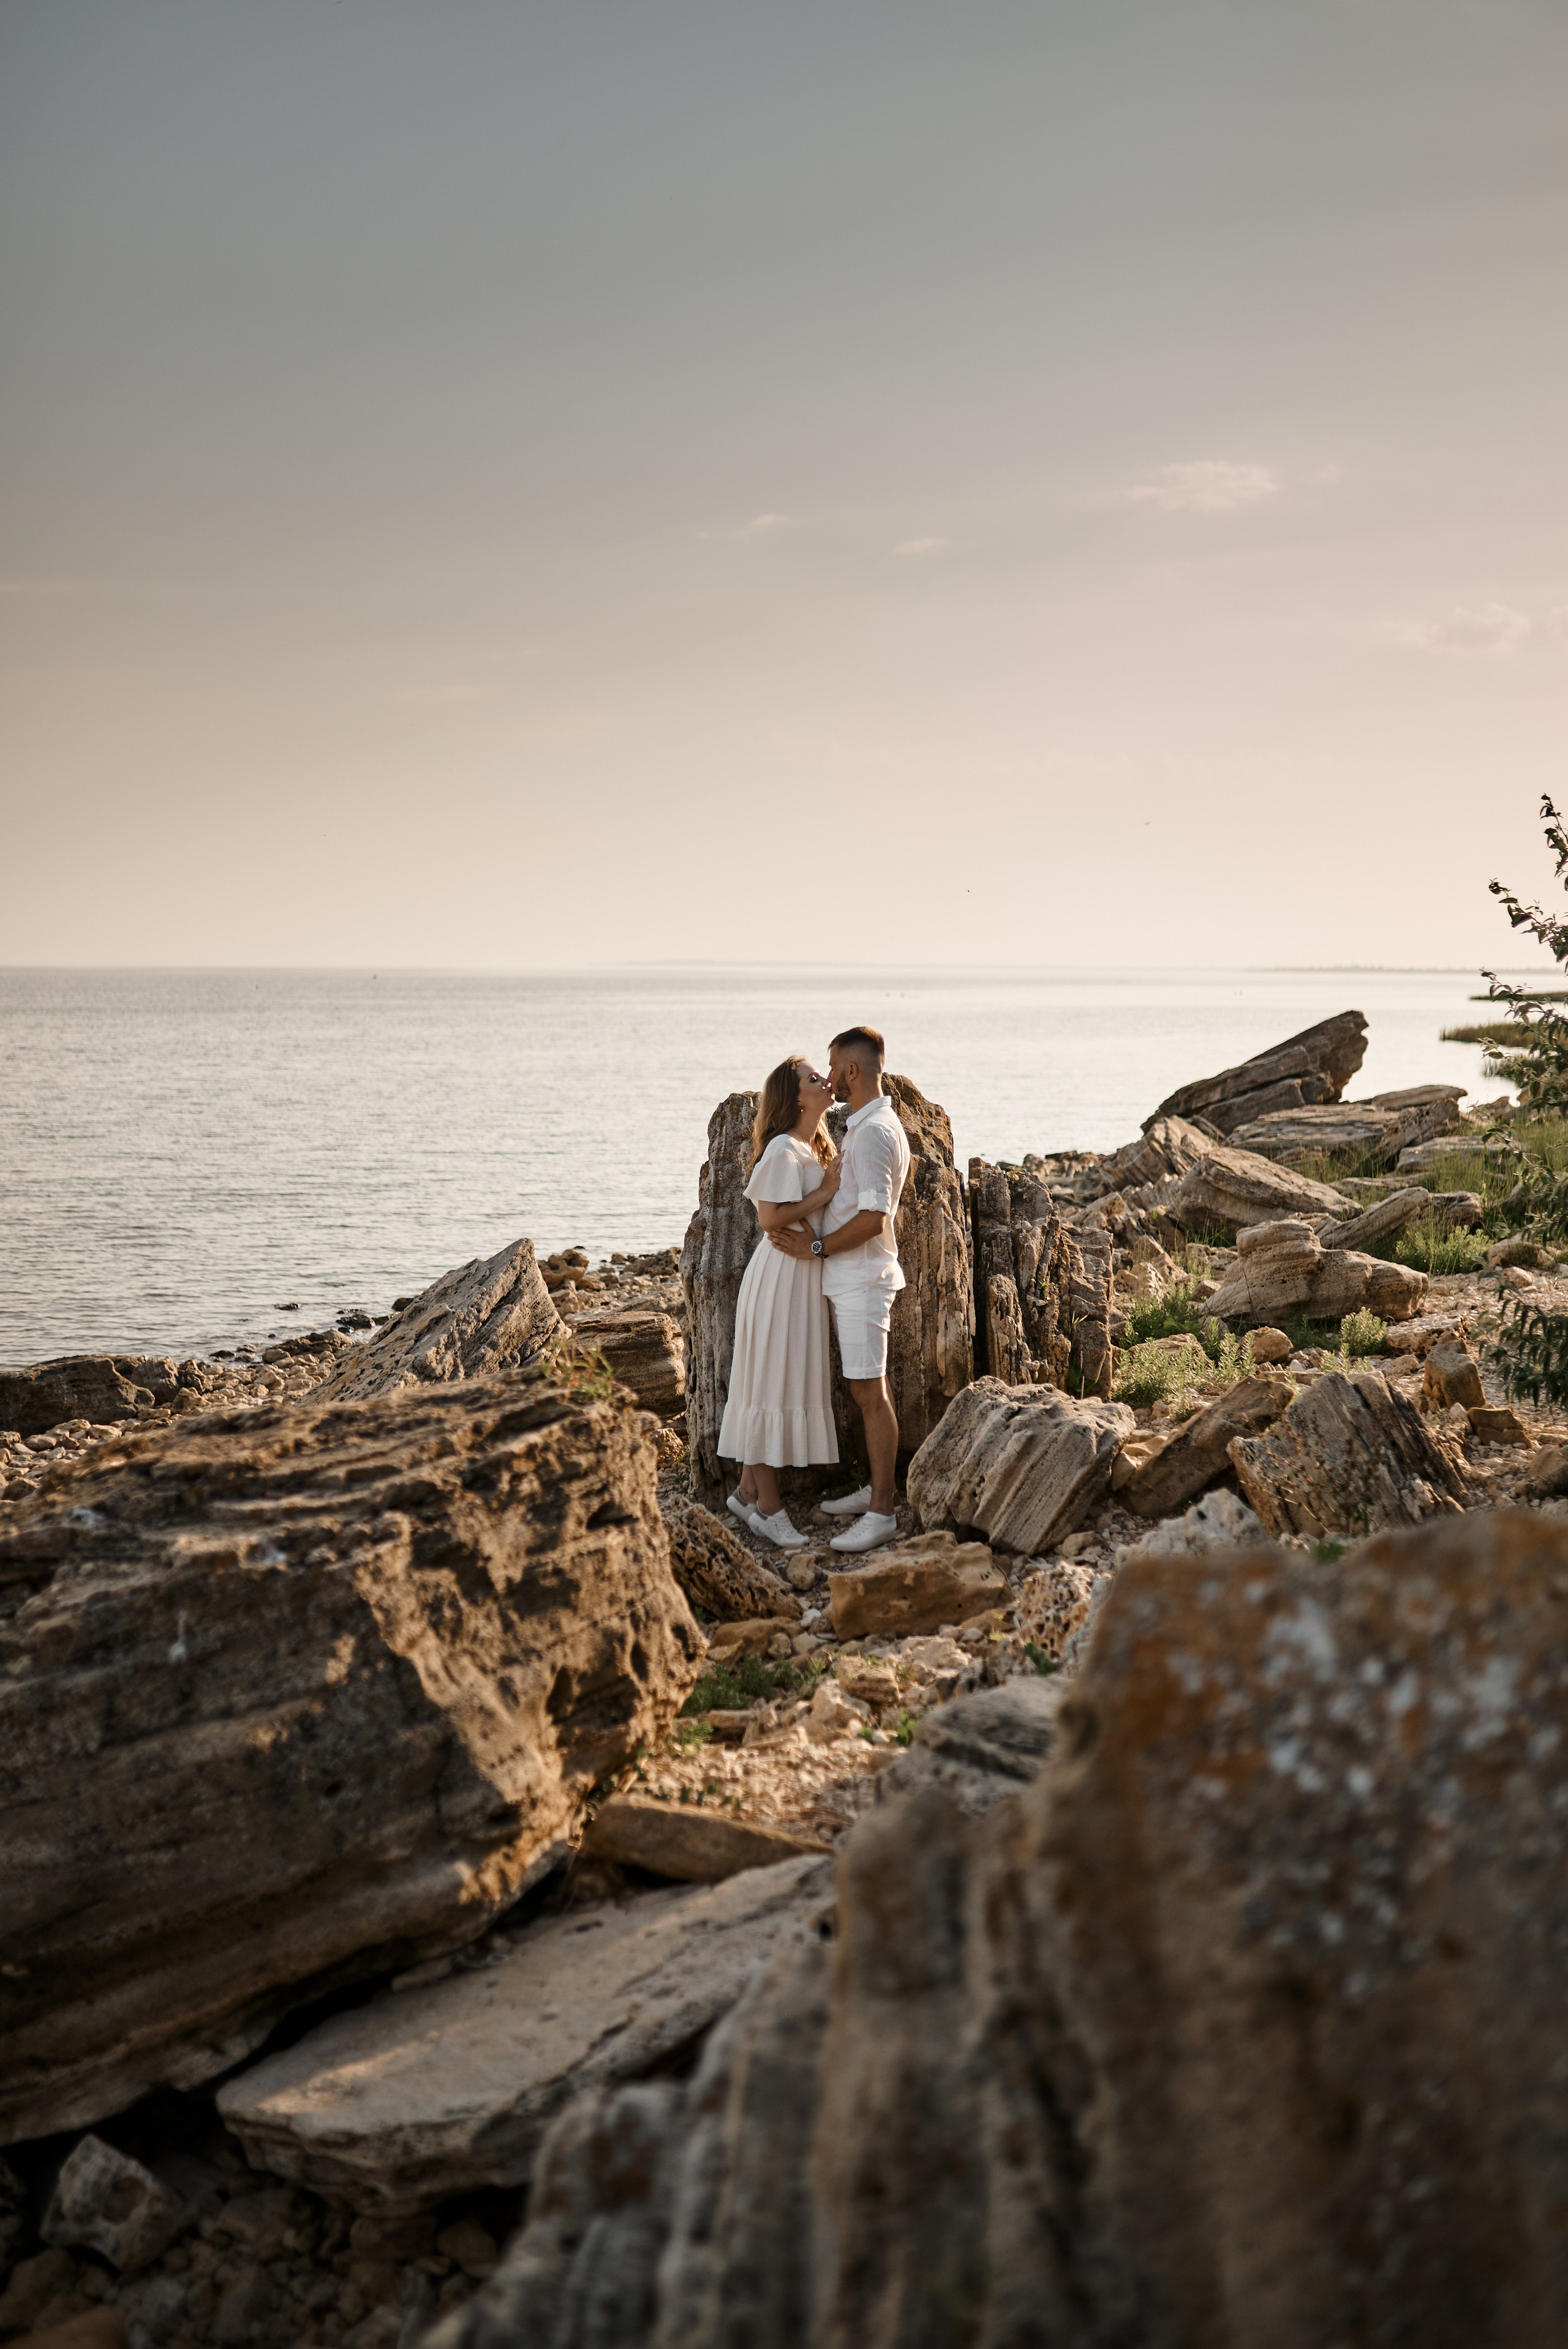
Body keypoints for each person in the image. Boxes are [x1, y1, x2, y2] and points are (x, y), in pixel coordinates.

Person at [767, 1024, 910, 1555]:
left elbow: (873, 1218)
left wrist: (816, 1250)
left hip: (862, 1279)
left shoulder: (873, 1132)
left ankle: (882, 1514)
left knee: (870, 1394)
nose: (828, 1078)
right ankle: (878, 1489)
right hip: (854, 1279)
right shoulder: (871, 1125)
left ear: (852, 1070)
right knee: (866, 1390)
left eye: (833, 1067)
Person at [718, 1056, 842, 1549]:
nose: (825, 1081)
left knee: (775, 1381)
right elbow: (770, 1218)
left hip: (800, 1275)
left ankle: (749, 1491)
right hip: (780, 1277)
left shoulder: (812, 1147)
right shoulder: (782, 1150)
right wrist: (825, 1193)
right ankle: (769, 1509)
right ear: (794, 1098)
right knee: (769, 1385)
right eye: (815, 1079)